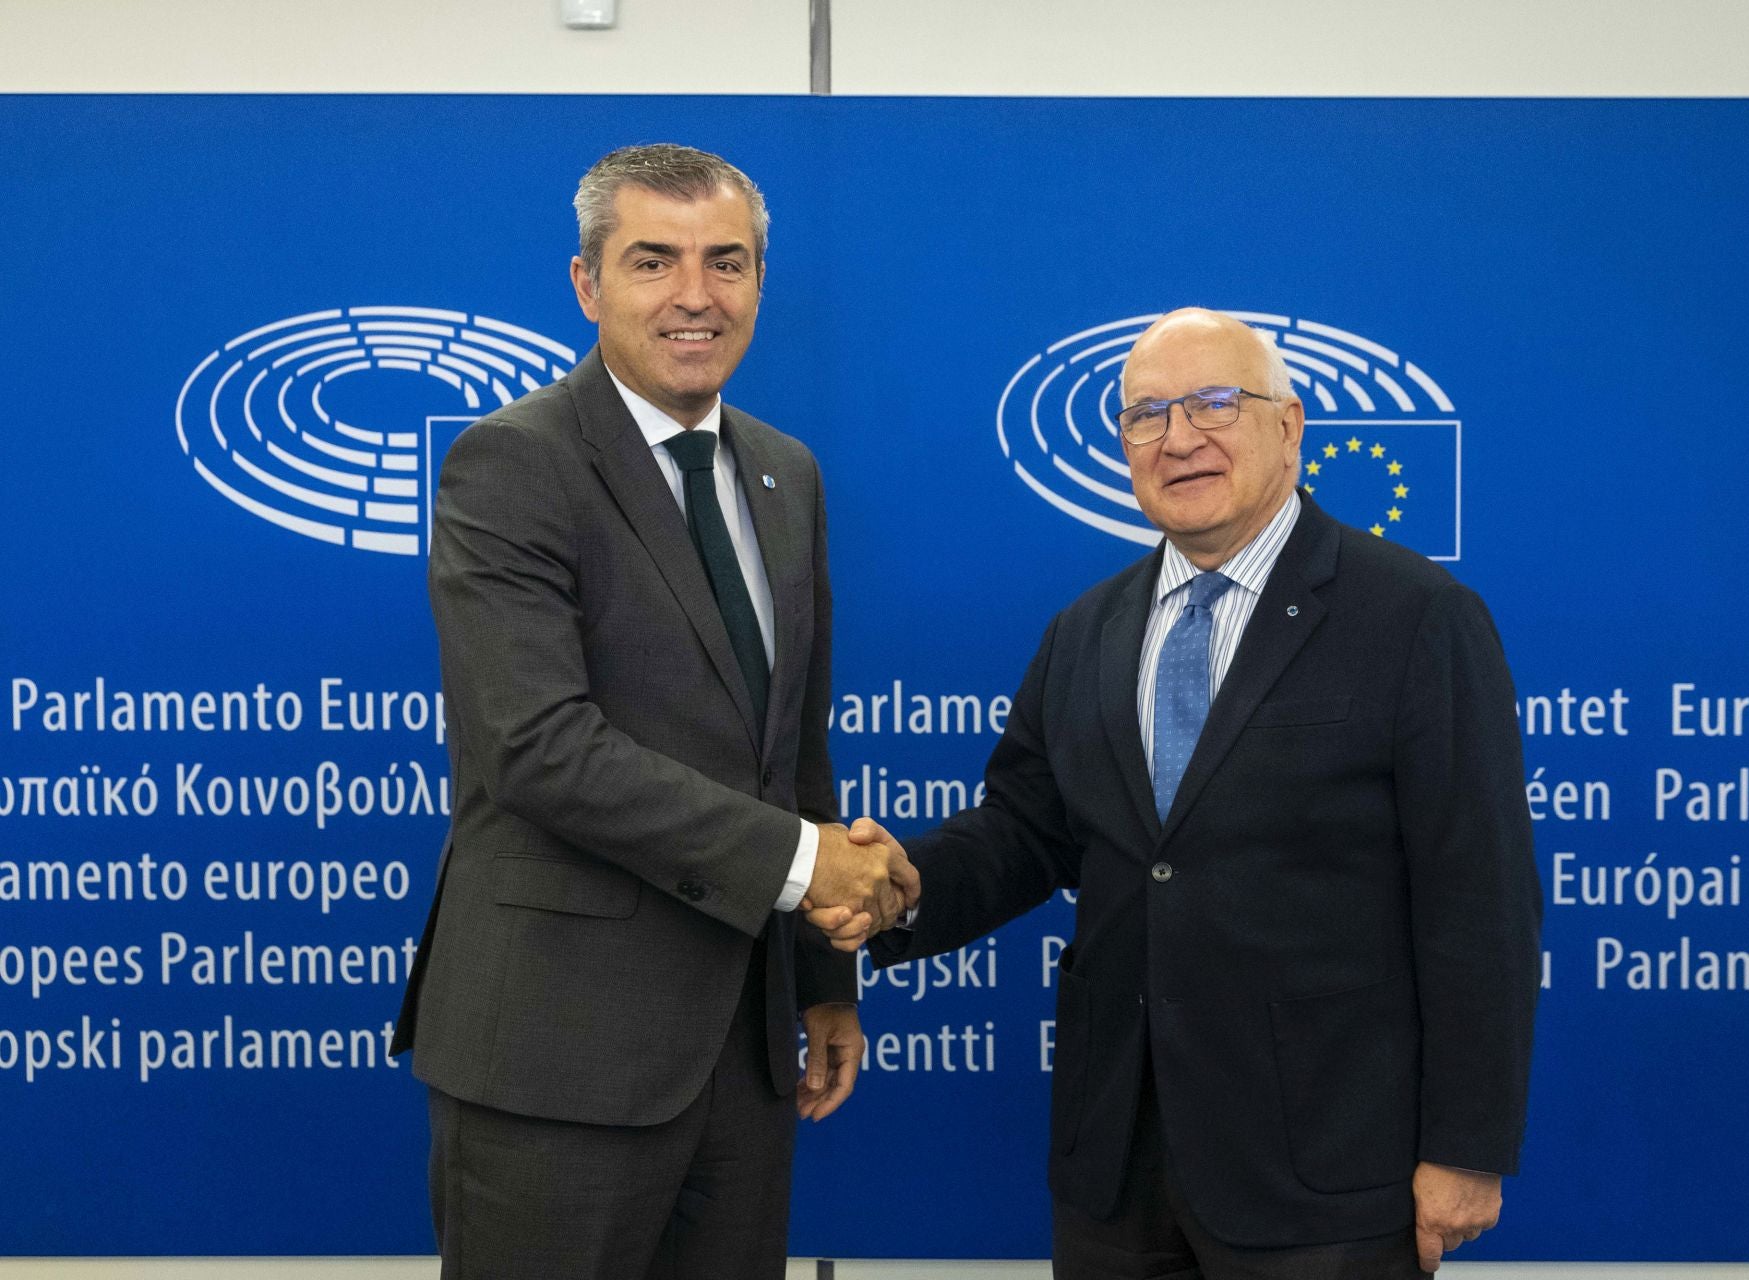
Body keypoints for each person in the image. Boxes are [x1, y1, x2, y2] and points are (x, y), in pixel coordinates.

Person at [819, 309, 1541, 1277]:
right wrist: (905, 885)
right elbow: (1026, 828)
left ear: (1289, 426)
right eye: (1146, 414)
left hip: (1329, 1170)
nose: (1180, 437)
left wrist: (1466, 1146)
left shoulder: (1416, 618)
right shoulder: (1088, 630)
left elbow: (1480, 899)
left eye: (1213, 403)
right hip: (1116, 1164)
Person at [391, 143, 906, 1279]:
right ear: (587, 285)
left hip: (742, 1048)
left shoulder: (787, 472)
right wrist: (801, 863)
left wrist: (823, 979)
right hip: (554, 1052)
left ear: (761, 283)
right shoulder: (512, 462)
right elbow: (539, 747)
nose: (694, 295)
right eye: (652, 261)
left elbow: (792, 750)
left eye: (727, 263)